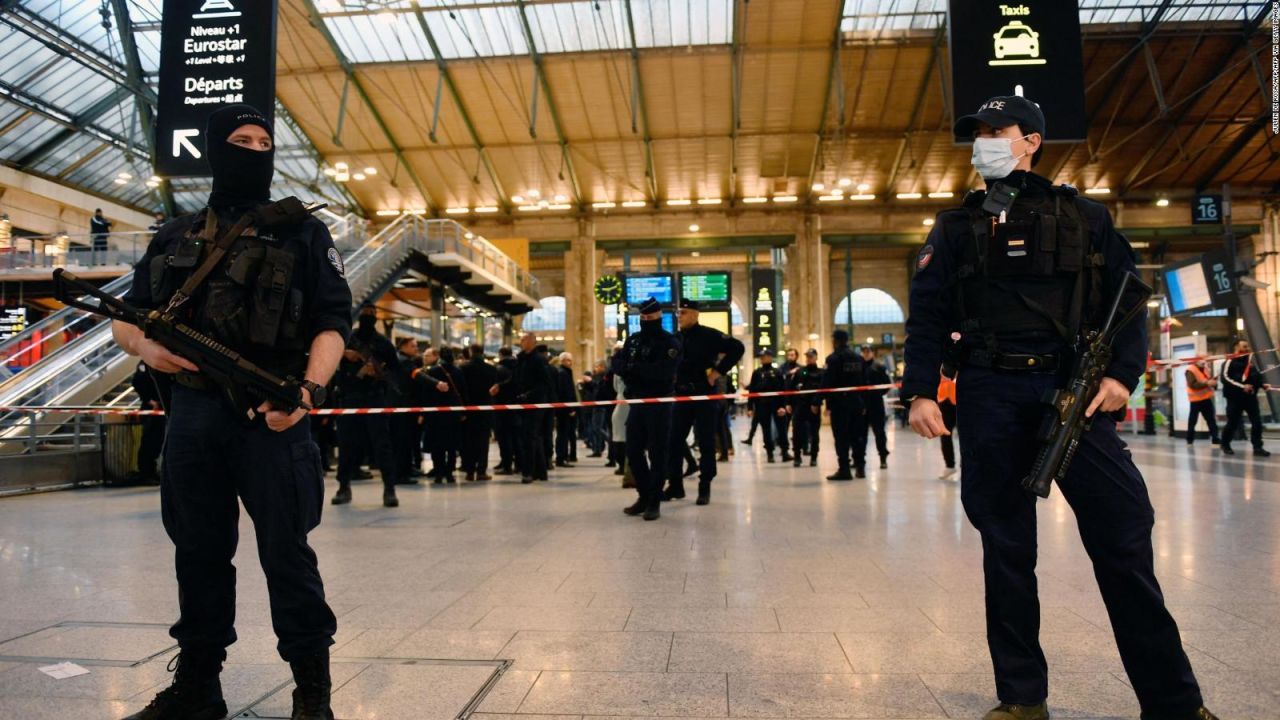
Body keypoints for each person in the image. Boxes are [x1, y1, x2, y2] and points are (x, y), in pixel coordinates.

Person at [903, 94, 1216, 720]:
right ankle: (1022, 699)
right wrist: (917, 390)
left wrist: (1124, 376)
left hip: (1074, 392)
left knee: (1124, 540)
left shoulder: (1086, 218)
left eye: (999, 130)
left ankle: (1174, 703)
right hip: (990, 393)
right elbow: (929, 315)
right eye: (979, 133)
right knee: (1007, 548)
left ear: (1032, 141)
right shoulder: (956, 226)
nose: (985, 141)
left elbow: (1128, 301)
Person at [114, 104, 351, 720]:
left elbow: (333, 322)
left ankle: (312, 691)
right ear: (217, 151)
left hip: (269, 414)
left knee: (286, 551)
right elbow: (126, 314)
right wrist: (145, 347)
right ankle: (198, 686)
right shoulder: (176, 233)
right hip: (193, 415)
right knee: (196, 551)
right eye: (241, 140)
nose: (254, 149)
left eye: (264, 141)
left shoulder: (303, 232)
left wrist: (308, 391)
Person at [664, 297, 744, 503]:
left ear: (695, 314)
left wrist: (717, 373)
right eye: (678, 313)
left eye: (683, 313)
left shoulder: (709, 335)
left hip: (704, 394)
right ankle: (675, 485)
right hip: (681, 395)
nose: (679, 317)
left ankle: (704, 486)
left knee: (706, 440)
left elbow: (737, 348)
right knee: (674, 440)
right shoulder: (675, 338)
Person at [616, 297, 681, 520]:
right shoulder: (634, 340)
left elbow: (662, 373)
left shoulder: (669, 342)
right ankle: (644, 494)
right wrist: (635, 371)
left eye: (649, 317)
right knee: (633, 450)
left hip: (660, 404)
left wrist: (636, 369)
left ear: (658, 317)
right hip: (638, 401)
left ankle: (654, 501)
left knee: (657, 453)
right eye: (642, 317)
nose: (645, 321)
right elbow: (619, 365)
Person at [333, 305, 401, 506]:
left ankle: (389, 489)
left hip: (374, 398)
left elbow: (395, 372)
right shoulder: (347, 338)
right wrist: (344, 353)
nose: (368, 317)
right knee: (346, 445)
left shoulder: (383, 344)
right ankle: (343, 487)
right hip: (350, 397)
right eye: (366, 313)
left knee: (382, 446)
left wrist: (378, 372)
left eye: (372, 314)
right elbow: (326, 356)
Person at [821, 330, 868, 479]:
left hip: (839, 405)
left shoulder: (833, 359)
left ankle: (845, 470)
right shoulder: (859, 359)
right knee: (857, 437)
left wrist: (818, 401)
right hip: (857, 403)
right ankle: (860, 468)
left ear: (835, 341)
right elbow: (864, 382)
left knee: (841, 438)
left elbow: (827, 383)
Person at [418, 346, 466, 483]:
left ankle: (439, 473)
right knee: (451, 445)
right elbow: (462, 391)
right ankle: (450, 473)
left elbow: (426, 394)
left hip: (435, 414)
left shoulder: (432, 371)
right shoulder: (457, 371)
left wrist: (424, 412)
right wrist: (463, 411)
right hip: (453, 414)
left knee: (436, 444)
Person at [514, 333, 555, 483]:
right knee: (533, 437)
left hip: (535, 404)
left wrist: (529, 395)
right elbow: (515, 379)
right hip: (523, 403)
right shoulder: (521, 359)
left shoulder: (539, 360)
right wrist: (500, 386)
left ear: (532, 342)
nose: (521, 342)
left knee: (529, 438)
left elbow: (544, 384)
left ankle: (528, 472)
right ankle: (541, 471)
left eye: (524, 339)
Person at [1219, 339, 1270, 456]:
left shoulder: (1250, 361)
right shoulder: (1229, 361)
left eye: (1247, 346)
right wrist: (1242, 386)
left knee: (1257, 422)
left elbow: (1255, 376)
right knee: (1233, 423)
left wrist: (1262, 385)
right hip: (1234, 398)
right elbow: (1225, 378)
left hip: (1250, 397)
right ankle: (1225, 444)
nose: (1247, 348)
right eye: (1245, 346)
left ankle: (1257, 447)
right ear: (1237, 347)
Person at [128, 362, 171, 485]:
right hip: (150, 410)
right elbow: (137, 382)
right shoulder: (144, 365)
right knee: (148, 441)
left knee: (157, 441)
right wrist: (149, 400)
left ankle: (151, 471)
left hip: (160, 409)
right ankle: (145, 472)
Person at [460, 343, 497, 481]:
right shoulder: (491, 369)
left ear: (471, 352)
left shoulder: (463, 368)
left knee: (469, 441)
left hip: (468, 409)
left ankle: (469, 471)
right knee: (483, 441)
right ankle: (481, 471)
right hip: (485, 410)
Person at [390, 337, 423, 483]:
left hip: (402, 405)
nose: (416, 348)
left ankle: (407, 469)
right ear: (403, 346)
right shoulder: (404, 361)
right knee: (403, 441)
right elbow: (418, 379)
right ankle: (401, 474)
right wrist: (437, 383)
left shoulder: (401, 359)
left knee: (406, 440)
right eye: (413, 346)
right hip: (404, 406)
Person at [745, 349, 784, 462]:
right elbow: (752, 390)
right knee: (766, 430)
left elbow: (782, 389)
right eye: (761, 357)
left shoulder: (777, 372)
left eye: (764, 356)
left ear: (770, 357)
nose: (762, 359)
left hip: (776, 404)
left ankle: (784, 451)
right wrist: (750, 407)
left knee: (781, 428)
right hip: (762, 404)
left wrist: (783, 405)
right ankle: (770, 453)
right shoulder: (757, 373)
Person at [788, 348, 824, 467]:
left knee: (814, 433)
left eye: (811, 356)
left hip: (814, 407)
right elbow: (791, 389)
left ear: (816, 357)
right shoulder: (799, 372)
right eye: (807, 357)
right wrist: (788, 403)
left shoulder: (821, 373)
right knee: (797, 432)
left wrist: (818, 404)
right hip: (800, 406)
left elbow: (823, 391)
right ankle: (797, 456)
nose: (809, 359)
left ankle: (814, 457)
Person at [860, 345, 891, 468]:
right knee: (861, 434)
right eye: (864, 352)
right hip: (862, 405)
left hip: (876, 404)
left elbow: (887, 385)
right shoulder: (859, 367)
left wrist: (877, 394)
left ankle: (883, 458)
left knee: (879, 433)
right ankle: (860, 459)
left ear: (872, 352)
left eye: (868, 351)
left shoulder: (879, 367)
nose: (866, 354)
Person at [1184, 358, 1219, 447]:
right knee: (1192, 421)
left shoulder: (1206, 369)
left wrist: (1213, 383)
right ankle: (1189, 440)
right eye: (1201, 359)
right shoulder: (1190, 370)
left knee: (1211, 420)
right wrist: (1207, 383)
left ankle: (1215, 439)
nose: (1204, 361)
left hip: (1206, 398)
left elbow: (1208, 380)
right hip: (1195, 400)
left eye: (1205, 359)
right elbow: (1193, 384)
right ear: (1196, 360)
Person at [774, 348, 800, 462]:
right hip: (784, 400)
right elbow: (781, 380)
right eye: (789, 354)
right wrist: (790, 373)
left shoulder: (800, 368)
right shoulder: (782, 369)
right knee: (784, 425)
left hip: (797, 400)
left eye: (793, 354)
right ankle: (784, 450)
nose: (791, 356)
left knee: (799, 425)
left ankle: (800, 446)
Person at [554, 352, 579, 467]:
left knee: (565, 433)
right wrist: (570, 408)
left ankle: (563, 456)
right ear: (562, 361)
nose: (570, 362)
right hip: (564, 410)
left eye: (571, 360)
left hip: (565, 408)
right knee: (563, 434)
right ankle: (561, 458)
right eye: (568, 360)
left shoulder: (566, 372)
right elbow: (565, 393)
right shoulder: (562, 373)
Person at [936, 373, 958, 479]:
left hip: (962, 397)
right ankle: (949, 466)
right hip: (944, 399)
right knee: (945, 434)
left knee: (967, 435)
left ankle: (966, 467)